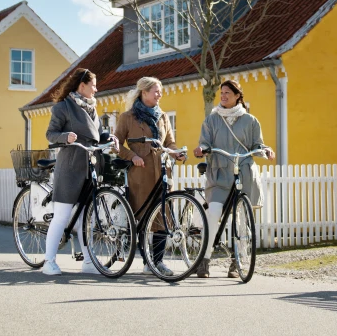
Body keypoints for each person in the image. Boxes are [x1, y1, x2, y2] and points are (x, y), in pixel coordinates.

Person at [193, 79, 275, 278]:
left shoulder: (251, 121)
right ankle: (204, 260)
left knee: (242, 218)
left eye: (228, 92)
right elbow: (204, 142)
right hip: (219, 174)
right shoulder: (212, 119)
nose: (223, 96)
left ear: (238, 95)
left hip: (243, 173)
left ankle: (237, 262)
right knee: (213, 213)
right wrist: (201, 149)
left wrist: (266, 150)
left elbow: (258, 144)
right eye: (222, 92)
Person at [43, 68, 112, 276]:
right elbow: (50, 134)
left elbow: (99, 134)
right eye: (93, 85)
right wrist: (65, 137)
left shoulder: (92, 108)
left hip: (89, 168)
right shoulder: (63, 107)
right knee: (62, 216)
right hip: (70, 167)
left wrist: (110, 138)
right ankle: (48, 262)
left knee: (85, 218)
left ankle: (89, 262)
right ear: (81, 86)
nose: (96, 89)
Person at [113, 76, 185, 276]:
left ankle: (158, 262)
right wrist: (132, 155)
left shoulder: (162, 116)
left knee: (162, 216)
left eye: (160, 91)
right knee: (144, 218)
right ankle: (147, 261)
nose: (159, 94)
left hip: (162, 171)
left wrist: (175, 152)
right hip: (140, 173)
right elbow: (117, 143)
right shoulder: (128, 117)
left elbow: (169, 141)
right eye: (156, 91)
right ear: (144, 92)